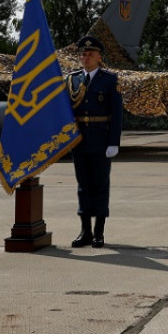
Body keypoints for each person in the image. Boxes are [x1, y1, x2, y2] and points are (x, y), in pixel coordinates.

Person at [66, 35, 123, 248]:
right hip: (79, 141)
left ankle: (99, 232)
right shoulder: (72, 80)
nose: (86, 57)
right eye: (83, 54)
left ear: (99, 57)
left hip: (100, 140)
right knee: (83, 185)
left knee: (100, 185)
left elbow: (116, 114)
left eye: (90, 54)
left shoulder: (109, 80)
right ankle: (85, 231)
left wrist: (113, 142)